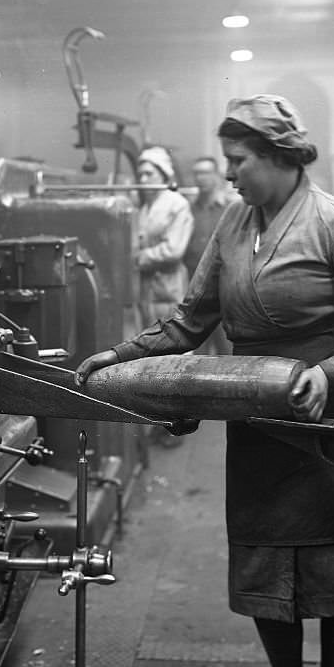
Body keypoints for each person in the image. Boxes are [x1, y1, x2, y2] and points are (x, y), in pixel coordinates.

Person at [75, 94, 334, 667]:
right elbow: (190, 319)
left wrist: (332, 370)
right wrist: (124, 357)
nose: (227, 174)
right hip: (260, 412)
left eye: (239, 161)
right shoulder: (235, 223)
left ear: (277, 159)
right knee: (267, 557)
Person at [132, 145, 193, 448]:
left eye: (149, 172)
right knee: (154, 353)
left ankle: (180, 422)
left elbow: (173, 249)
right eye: (140, 173)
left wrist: (139, 258)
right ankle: (160, 421)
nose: (143, 178)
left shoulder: (176, 204)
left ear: (164, 174)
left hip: (167, 287)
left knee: (174, 352)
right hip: (147, 290)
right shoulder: (145, 206)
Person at [184, 156, 237, 354]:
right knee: (199, 355)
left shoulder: (231, 208)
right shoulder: (189, 209)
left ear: (216, 175)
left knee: (228, 353)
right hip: (197, 293)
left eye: (205, 172)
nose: (200, 178)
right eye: (196, 173)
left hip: (226, 294)